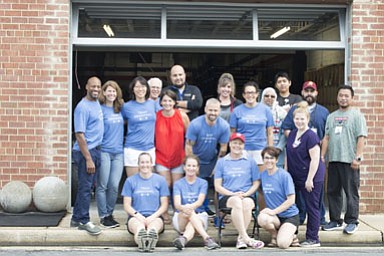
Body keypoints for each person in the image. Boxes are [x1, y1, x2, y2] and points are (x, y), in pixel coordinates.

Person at [281, 81, 329, 226]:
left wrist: (321, 155)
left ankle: (319, 220)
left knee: (315, 192)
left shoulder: (323, 112)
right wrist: (298, 143)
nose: (309, 93)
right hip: (298, 159)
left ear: (316, 93)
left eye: (311, 91)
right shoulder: (294, 110)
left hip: (315, 157)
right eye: (306, 90)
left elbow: (326, 136)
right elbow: (287, 129)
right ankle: (300, 217)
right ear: (302, 92)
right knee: (299, 193)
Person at [321, 85, 367, 235]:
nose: (343, 98)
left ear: (352, 98)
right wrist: (322, 156)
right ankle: (335, 220)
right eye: (341, 95)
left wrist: (358, 157)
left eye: (346, 96)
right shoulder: (331, 117)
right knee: (333, 191)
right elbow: (326, 137)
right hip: (334, 160)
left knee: (351, 192)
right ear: (337, 97)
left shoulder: (357, 116)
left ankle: (352, 221)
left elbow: (361, 137)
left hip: (350, 161)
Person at [214, 132, 264, 250]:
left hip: (247, 195)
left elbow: (256, 182)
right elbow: (217, 186)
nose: (237, 146)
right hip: (228, 196)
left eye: (240, 144)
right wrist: (233, 194)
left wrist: (246, 194)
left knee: (246, 203)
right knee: (237, 201)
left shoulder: (250, 161)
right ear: (230, 144)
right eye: (234, 143)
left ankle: (241, 239)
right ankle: (246, 238)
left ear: (243, 145)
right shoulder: (222, 162)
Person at [286, 101, 325, 247]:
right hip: (295, 176)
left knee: (312, 207)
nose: (299, 121)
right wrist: (286, 175)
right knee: (293, 206)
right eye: (297, 118)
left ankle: (313, 238)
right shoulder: (292, 134)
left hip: (311, 177)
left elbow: (315, 159)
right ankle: (292, 235)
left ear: (308, 119)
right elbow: (288, 155)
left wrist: (309, 179)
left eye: (302, 119)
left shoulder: (311, 136)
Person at [185, 98, 230, 217]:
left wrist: (217, 167)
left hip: (213, 159)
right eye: (210, 110)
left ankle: (219, 215)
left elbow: (223, 148)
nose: (213, 113)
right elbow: (189, 146)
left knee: (217, 187)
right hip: (197, 158)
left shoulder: (224, 126)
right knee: (198, 186)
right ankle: (199, 211)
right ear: (205, 109)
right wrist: (192, 165)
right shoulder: (195, 124)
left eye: (215, 110)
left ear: (219, 111)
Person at [71, 76, 104, 236]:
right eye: (93, 86)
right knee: (85, 188)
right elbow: (79, 134)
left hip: (95, 150)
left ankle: (76, 218)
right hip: (86, 152)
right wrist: (89, 158)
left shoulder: (96, 103)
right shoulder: (82, 107)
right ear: (86, 87)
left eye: (98, 86)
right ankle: (84, 220)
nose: (96, 89)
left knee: (88, 186)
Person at [122, 152, 169, 252]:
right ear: (138, 164)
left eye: (147, 162)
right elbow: (126, 205)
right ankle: (142, 241)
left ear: (152, 164)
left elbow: (164, 205)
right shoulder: (130, 181)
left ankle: (150, 240)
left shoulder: (160, 180)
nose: (145, 165)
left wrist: (153, 217)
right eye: (142, 162)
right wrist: (139, 216)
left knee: (153, 229)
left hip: (155, 216)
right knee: (139, 229)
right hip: (135, 217)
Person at [172, 155, 220, 250]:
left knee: (192, 221)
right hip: (181, 216)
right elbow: (177, 204)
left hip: (200, 216)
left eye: (194, 166)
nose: (191, 168)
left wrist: (190, 208)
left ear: (198, 168)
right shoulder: (178, 183)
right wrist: (186, 208)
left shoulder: (203, 183)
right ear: (184, 167)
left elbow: (199, 202)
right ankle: (207, 238)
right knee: (189, 213)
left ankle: (183, 239)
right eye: (188, 165)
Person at [257, 146, 300, 249]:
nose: (269, 161)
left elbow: (291, 200)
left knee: (282, 244)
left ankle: (293, 236)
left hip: (289, 216)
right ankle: (274, 234)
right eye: (266, 158)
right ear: (263, 160)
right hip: (275, 217)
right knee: (262, 218)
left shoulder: (284, 176)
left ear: (276, 160)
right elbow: (261, 193)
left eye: (272, 158)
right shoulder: (263, 176)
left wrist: (273, 211)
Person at [96, 80, 124, 228]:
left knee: (114, 185)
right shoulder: (99, 109)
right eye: (109, 91)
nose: (111, 93)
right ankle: (103, 216)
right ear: (104, 93)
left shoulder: (120, 108)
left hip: (119, 152)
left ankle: (110, 214)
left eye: (114, 91)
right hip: (104, 151)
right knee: (102, 185)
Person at [230, 81, 274, 166]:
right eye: (248, 93)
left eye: (253, 93)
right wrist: (233, 150)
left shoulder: (266, 110)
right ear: (243, 95)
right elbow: (232, 133)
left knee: (260, 178)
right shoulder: (236, 111)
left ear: (257, 94)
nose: (250, 95)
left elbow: (270, 133)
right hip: (242, 149)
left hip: (261, 149)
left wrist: (270, 151)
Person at [121, 76, 156, 177]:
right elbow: (119, 123)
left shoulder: (153, 104)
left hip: (149, 149)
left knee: (148, 182)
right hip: (132, 149)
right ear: (133, 89)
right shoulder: (126, 107)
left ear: (147, 89)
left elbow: (167, 111)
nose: (140, 89)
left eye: (143, 86)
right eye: (137, 87)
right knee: (133, 182)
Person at [155, 89, 190, 189]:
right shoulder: (156, 117)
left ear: (175, 102)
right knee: (165, 185)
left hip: (178, 157)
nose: (167, 103)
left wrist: (189, 156)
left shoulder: (182, 116)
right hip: (161, 157)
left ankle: (176, 205)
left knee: (177, 186)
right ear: (160, 102)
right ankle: (163, 205)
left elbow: (189, 137)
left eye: (170, 101)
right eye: (164, 101)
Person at [261, 87, 287, 168]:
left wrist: (279, 148)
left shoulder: (282, 112)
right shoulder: (257, 111)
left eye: (272, 96)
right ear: (262, 97)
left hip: (278, 150)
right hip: (260, 149)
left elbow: (285, 132)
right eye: (266, 96)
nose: (269, 98)